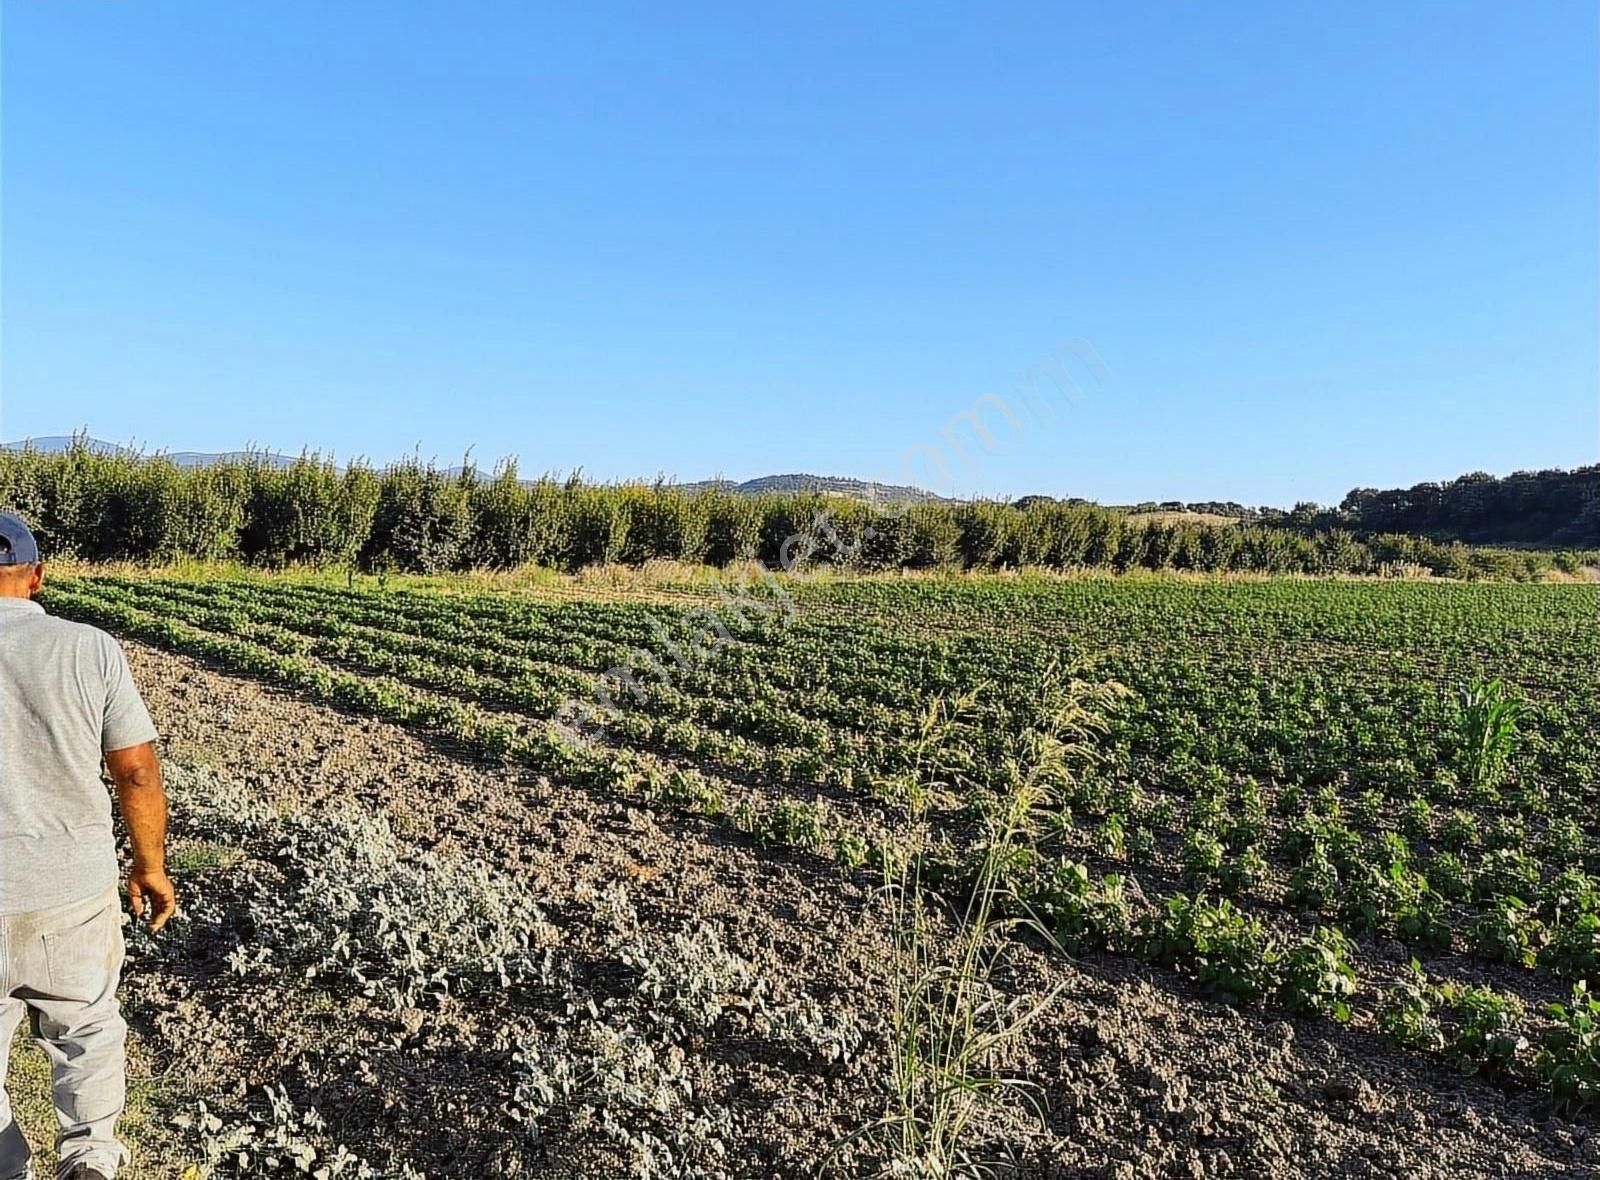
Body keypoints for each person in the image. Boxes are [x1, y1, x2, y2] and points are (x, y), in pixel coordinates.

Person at [0, 512, 176, 1180]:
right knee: (87, 1030)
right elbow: (135, 769)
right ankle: (91, 1158)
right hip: (71, 889)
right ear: (37, 576)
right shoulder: (88, 648)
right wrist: (149, 866)